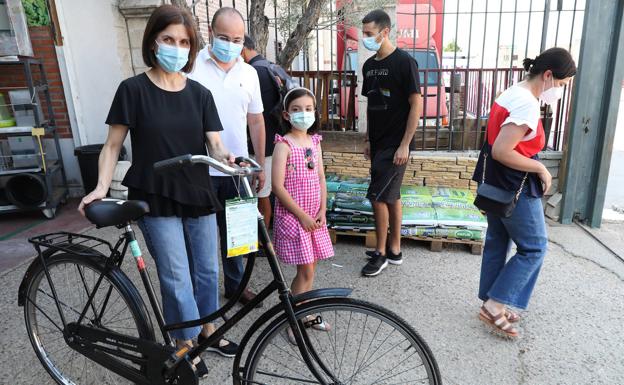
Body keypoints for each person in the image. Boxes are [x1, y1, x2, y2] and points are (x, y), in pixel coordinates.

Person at [77, 4, 239, 365]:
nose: (176, 48)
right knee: (177, 275)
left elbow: (215, 143)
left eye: (184, 42)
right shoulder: (132, 90)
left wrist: (231, 160)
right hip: (155, 194)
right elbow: (112, 145)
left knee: (208, 271)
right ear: (152, 42)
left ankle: (207, 331)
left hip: (197, 192)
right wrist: (102, 187)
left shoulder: (200, 94)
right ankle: (184, 344)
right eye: (169, 39)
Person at [473, 47, 576, 338]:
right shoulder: (527, 105)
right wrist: (540, 169)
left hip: (495, 182)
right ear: (548, 75)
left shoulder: (512, 92)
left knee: (498, 239)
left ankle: (491, 301)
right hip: (513, 184)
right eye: (562, 84)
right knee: (534, 247)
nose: (560, 90)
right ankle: (495, 304)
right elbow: (503, 150)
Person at [188, 7, 266, 306]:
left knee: (240, 237)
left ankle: (236, 286)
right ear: (211, 32)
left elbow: (256, 121)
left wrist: (259, 164)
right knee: (203, 238)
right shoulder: (192, 67)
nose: (230, 44)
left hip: (238, 170)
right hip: (202, 170)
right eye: (224, 37)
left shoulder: (249, 73)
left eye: (236, 39)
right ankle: (203, 292)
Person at [359, 9, 423, 277]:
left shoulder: (404, 62)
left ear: (385, 32)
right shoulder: (369, 65)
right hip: (378, 142)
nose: (365, 38)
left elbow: (416, 104)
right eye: (363, 34)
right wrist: (367, 139)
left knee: (377, 197)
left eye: (369, 34)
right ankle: (395, 249)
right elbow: (371, 104)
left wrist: (405, 144)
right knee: (391, 196)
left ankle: (381, 253)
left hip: (396, 145)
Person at [272, 87, 334, 339]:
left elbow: (320, 177)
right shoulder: (283, 145)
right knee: (305, 271)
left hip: (314, 217)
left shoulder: (314, 142)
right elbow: (277, 186)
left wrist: (323, 209)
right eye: (296, 110)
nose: (303, 114)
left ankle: (305, 313)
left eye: (308, 109)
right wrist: (302, 216)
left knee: (311, 269)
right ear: (287, 115)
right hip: (296, 218)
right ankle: (294, 319)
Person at [242, 34, 281, 229]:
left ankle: (262, 242)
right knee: (262, 194)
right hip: (271, 142)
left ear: (242, 49)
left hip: (261, 146)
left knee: (260, 195)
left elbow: (258, 116)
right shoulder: (269, 66)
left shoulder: (254, 72)